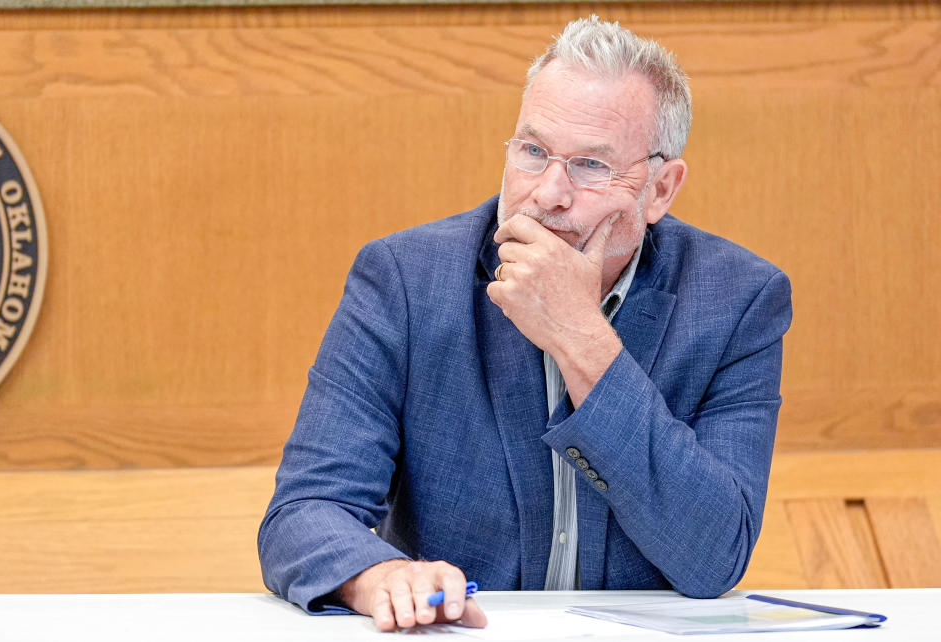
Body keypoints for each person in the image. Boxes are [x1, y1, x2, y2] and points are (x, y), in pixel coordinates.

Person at [258, 15, 792, 632]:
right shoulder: (405, 280)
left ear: (660, 190)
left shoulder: (739, 300)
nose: (547, 194)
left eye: (590, 166)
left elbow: (714, 555)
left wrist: (580, 336)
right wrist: (378, 576)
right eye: (533, 152)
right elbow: (304, 510)